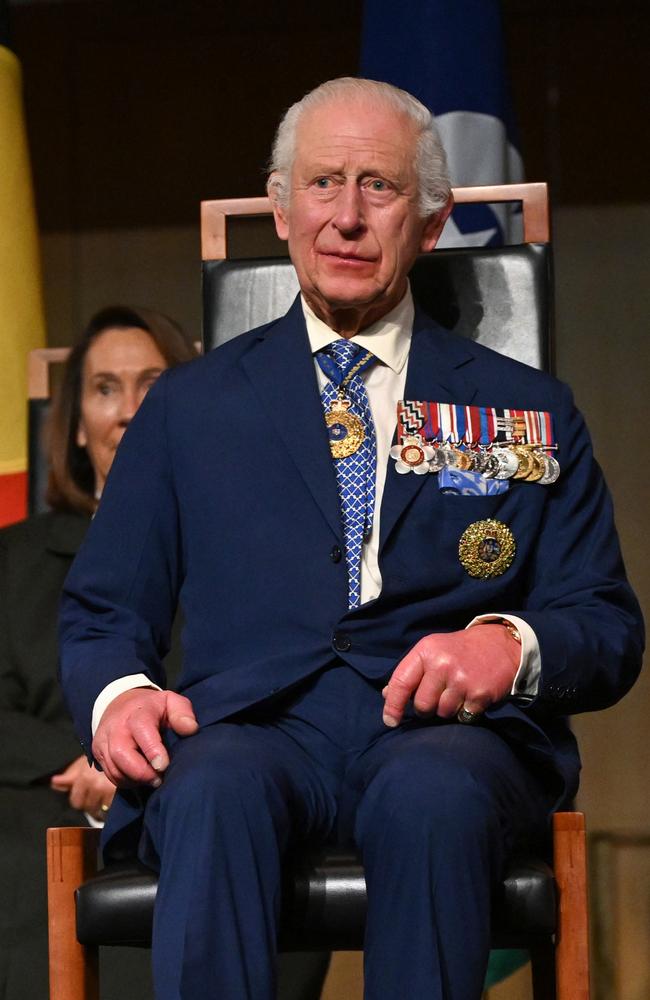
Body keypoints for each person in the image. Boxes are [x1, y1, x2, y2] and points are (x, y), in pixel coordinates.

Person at [60, 78, 643, 1000]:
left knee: (433, 798)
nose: (347, 216)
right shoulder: (189, 408)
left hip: (444, 737)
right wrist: (121, 698)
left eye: (379, 186)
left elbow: (605, 623)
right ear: (282, 210)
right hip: (251, 729)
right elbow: (103, 610)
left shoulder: (530, 408)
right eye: (323, 184)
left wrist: (511, 646)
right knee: (211, 789)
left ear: (433, 221)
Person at [0, 306, 197, 1000]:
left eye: (151, 384)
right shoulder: (15, 560)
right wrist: (78, 759)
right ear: (77, 424)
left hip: (188, 796)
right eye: (105, 389)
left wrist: (130, 760)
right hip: (38, 820)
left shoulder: (231, 549)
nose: (127, 412)